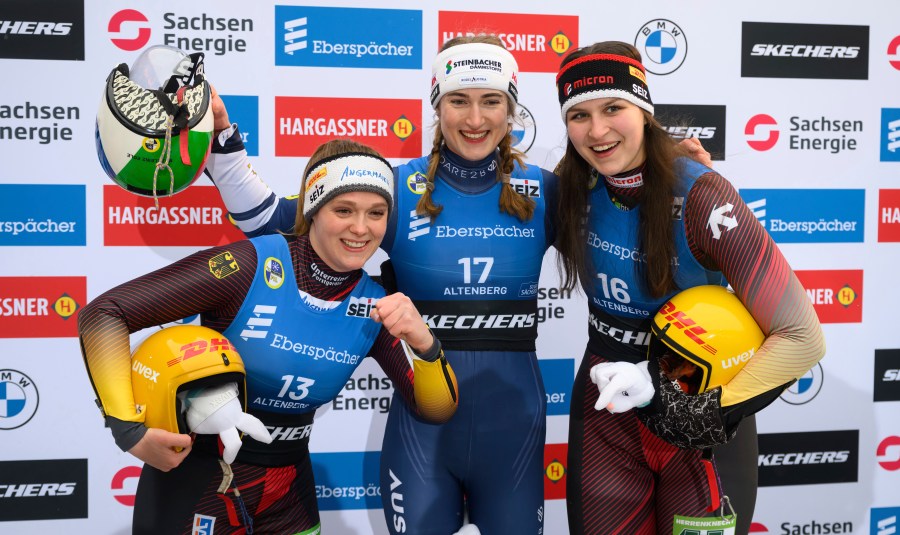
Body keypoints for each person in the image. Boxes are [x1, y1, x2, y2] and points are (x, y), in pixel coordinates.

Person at [205, 35, 558, 535]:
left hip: (513, 424)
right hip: (424, 425)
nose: (475, 119)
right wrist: (223, 147)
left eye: (491, 101)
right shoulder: (397, 186)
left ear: (511, 108)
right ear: (438, 104)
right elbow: (278, 221)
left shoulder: (545, 190)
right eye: (458, 100)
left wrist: (677, 173)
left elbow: (627, 220)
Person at [78, 139, 460, 534]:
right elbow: (104, 315)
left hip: (290, 495)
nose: (361, 228)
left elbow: (435, 409)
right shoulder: (250, 265)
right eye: (343, 210)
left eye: (376, 213)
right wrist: (128, 429)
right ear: (313, 209)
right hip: (197, 486)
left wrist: (426, 345)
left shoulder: (376, 305)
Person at [552, 42, 826, 534]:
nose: (597, 130)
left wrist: (700, 412)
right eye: (579, 114)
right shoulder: (571, 187)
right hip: (606, 415)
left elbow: (803, 336)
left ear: (643, 108)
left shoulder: (700, 193)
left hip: (699, 425)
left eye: (613, 107)